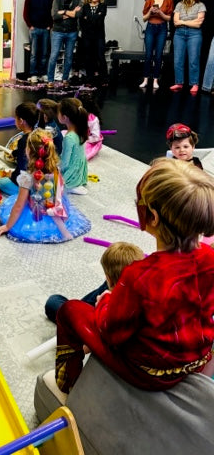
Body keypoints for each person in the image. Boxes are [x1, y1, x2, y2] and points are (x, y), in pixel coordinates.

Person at [55, 158, 214, 394]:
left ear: (153, 217)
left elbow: (112, 332)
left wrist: (105, 302)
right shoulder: (210, 257)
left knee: (69, 310)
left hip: (149, 372)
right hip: (199, 359)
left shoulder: (140, 275)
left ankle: (68, 382)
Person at [0, 129, 91, 243]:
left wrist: (7, 226)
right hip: (55, 208)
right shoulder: (55, 169)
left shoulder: (27, 177)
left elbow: (19, 206)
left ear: (28, 151)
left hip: (36, 214)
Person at [45, 241, 145, 323]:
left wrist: (100, 306)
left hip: (92, 323)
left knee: (53, 302)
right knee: (114, 278)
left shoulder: (112, 313)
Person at [170, 0, 206, 95]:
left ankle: (194, 83)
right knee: (178, 60)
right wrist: (190, 22)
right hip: (179, 34)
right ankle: (179, 82)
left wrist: (183, 21)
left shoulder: (201, 5)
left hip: (194, 34)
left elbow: (198, 23)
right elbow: (175, 22)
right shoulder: (180, 5)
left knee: (193, 60)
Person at [139, 0, 174, 90]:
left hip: (162, 28)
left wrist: (160, 12)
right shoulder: (149, 0)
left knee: (158, 55)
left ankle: (155, 79)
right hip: (150, 28)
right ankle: (145, 79)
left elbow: (169, 18)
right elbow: (144, 19)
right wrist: (150, 11)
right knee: (148, 55)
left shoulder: (169, 0)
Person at [0, 102, 38, 195]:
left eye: (15, 117)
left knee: (2, 182)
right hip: (38, 177)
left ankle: (25, 194)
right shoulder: (38, 134)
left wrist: (12, 175)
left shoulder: (23, 140)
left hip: (27, 182)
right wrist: (15, 153)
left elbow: (22, 168)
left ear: (21, 121)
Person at [47, 0, 82, 88]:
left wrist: (64, 12)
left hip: (72, 32)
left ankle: (65, 79)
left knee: (69, 56)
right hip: (57, 32)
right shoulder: (57, 0)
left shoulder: (78, 1)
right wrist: (71, 13)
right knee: (53, 56)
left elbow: (78, 15)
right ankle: (50, 80)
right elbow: (54, 16)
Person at [23, 0, 54, 83]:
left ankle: (43, 73)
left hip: (46, 29)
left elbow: (53, 12)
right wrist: (30, 26)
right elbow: (25, 13)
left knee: (45, 53)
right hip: (34, 29)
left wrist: (50, 25)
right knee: (34, 54)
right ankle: (33, 74)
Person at [58, 98, 88, 194]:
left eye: (58, 112)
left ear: (64, 117)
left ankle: (71, 186)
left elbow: (65, 163)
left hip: (71, 175)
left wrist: (55, 167)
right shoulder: (80, 130)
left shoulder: (69, 138)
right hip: (79, 172)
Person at [79, 0, 108, 86]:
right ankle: (89, 79)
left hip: (99, 36)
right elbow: (82, 21)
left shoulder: (103, 6)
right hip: (87, 36)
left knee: (100, 57)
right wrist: (95, 16)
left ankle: (104, 79)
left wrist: (88, 18)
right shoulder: (85, 6)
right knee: (88, 57)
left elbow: (100, 20)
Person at [77, 91, 103, 161]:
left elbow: (96, 137)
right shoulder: (78, 115)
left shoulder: (93, 120)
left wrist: (84, 139)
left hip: (90, 141)